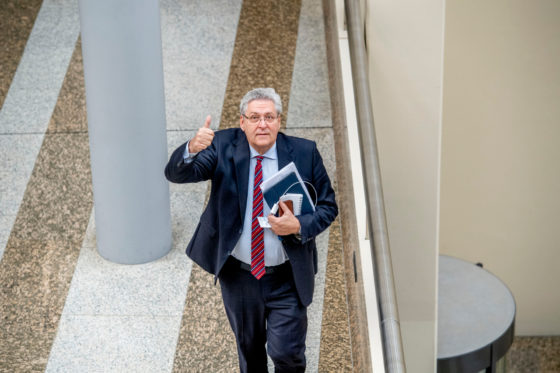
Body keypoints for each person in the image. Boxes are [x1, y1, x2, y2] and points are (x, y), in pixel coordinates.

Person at [165, 87, 337, 372]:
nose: (262, 124)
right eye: (254, 117)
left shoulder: (305, 153)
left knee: (288, 352)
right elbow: (177, 174)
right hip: (240, 276)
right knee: (249, 351)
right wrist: (192, 148)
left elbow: (329, 207)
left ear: (279, 121)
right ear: (241, 121)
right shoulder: (222, 146)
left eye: (269, 116)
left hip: (287, 275)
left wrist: (298, 225)